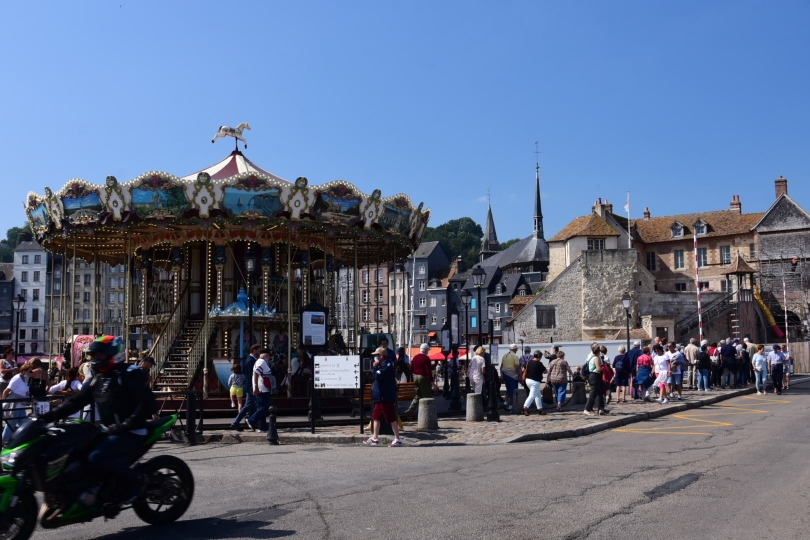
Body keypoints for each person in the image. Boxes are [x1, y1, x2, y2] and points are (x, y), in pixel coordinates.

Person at [38, 336, 155, 503]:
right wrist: (46, 417)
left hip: (132, 430)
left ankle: (138, 480)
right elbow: (75, 402)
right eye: (94, 356)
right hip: (110, 430)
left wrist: (126, 424)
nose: (95, 359)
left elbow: (146, 403)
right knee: (77, 450)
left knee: (97, 457)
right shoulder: (98, 379)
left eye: (100, 355)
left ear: (113, 355)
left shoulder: (129, 373)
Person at [363, 346, 402, 447]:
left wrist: (375, 367)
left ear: (381, 356)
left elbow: (377, 376)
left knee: (391, 418)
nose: (375, 357)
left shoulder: (387, 365)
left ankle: (397, 438)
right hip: (380, 396)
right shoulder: (383, 364)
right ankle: (375, 437)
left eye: (376, 355)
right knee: (375, 417)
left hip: (385, 396)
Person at [230, 344, 260, 430]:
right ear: (254, 350)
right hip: (251, 385)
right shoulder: (251, 360)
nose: (259, 352)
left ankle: (252, 421)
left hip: (251, 385)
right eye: (258, 350)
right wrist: (255, 385)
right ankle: (236, 422)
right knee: (248, 405)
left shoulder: (252, 359)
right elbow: (252, 374)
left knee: (253, 405)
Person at [1, 362, 32, 445]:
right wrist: (3, 402)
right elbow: (6, 391)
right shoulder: (17, 378)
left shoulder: (24, 378)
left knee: (23, 424)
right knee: (11, 425)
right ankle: (3, 442)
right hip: (14, 405)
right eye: (30, 371)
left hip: (20, 405)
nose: (31, 373)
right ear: (24, 371)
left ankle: (22, 441)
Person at [404, 343, 437, 421]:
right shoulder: (426, 358)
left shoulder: (415, 357)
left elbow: (412, 369)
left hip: (416, 376)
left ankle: (410, 410)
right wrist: (432, 383)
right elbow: (428, 372)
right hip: (423, 377)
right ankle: (428, 416)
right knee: (427, 396)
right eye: (427, 350)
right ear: (425, 350)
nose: (428, 352)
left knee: (418, 395)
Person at [248, 349, 274, 432]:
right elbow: (256, 374)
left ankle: (262, 426)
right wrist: (255, 387)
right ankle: (251, 420)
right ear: (266, 355)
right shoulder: (262, 362)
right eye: (269, 356)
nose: (270, 358)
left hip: (261, 388)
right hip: (262, 388)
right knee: (265, 407)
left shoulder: (260, 362)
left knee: (261, 408)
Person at [584, 343, 608, 416]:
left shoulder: (591, 357)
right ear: (598, 352)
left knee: (599, 393)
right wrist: (604, 369)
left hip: (592, 376)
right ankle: (587, 409)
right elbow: (598, 368)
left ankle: (601, 409)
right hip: (595, 376)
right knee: (593, 394)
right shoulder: (596, 358)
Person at [521, 350, 547, 416]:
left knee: (538, 395)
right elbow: (545, 371)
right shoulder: (539, 363)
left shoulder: (529, 362)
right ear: (539, 356)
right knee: (532, 395)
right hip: (535, 381)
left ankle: (540, 409)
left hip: (528, 380)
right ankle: (525, 408)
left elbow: (524, 369)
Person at [500, 344, 521, 412]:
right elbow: (517, 367)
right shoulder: (515, 356)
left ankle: (506, 402)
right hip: (513, 375)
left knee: (508, 389)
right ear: (515, 349)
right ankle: (511, 405)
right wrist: (520, 375)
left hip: (505, 373)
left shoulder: (505, 355)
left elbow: (502, 366)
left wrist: (502, 375)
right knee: (513, 390)